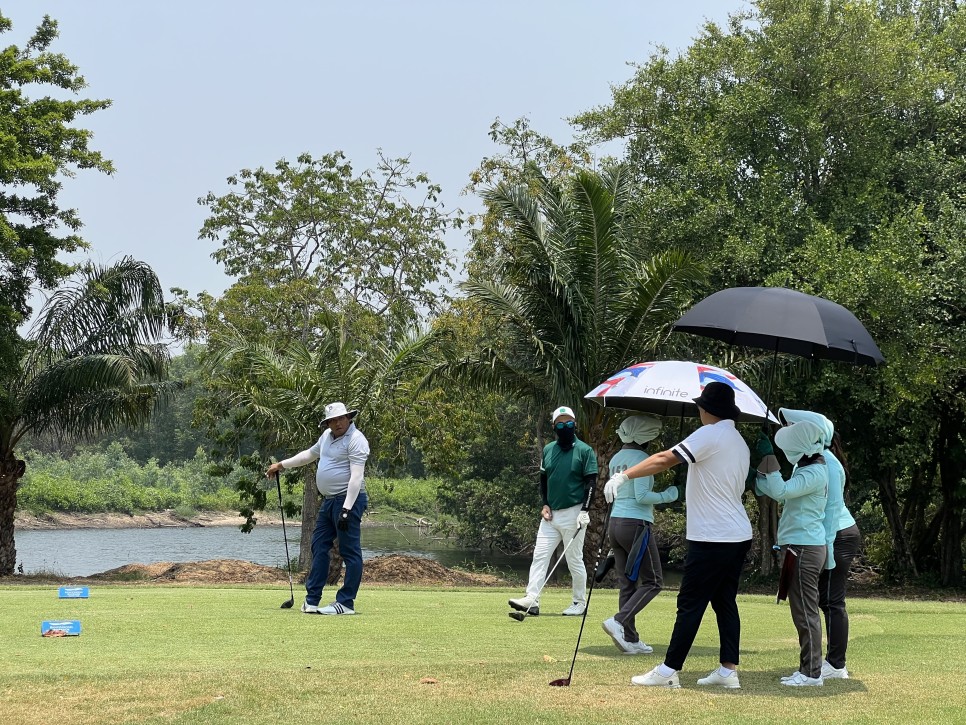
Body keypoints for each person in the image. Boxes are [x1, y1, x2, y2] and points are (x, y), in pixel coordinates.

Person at [604, 382, 752, 689]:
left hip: (713, 536)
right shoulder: (737, 439)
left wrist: (624, 475)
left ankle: (669, 670)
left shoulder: (711, 433)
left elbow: (664, 458)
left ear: (707, 409)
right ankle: (727, 671)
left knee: (690, 603)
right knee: (724, 601)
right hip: (736, 533)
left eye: (700, 406)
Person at [265, 401, 370, 615]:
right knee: (319, 545)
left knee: (350, 552)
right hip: (330, 500)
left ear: (348, 418)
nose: (337, 423)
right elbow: (309, 455)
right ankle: (312, 600)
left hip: (349, 500)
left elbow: (356, 478)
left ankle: (346, 603)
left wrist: (347, 509)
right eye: (332, 420)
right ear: (328, 423)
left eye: (340, 418)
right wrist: (281, 465)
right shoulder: (326, 438)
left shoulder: (357, 440)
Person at [779, 409, 859, 680]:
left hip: (838, 533)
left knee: (831, 601)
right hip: (828, 534)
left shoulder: (828, 464)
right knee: (823, 600)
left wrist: (828, 552)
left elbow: (831, 509)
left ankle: (835, 664)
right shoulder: (812, 459)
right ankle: (826, 662)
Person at [756, 418, 835, 686]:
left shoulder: (814, 472)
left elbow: (780, 490)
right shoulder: (807, 469)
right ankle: (807, 668)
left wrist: (769, 460)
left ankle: (812, 673)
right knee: (802, 612)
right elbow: (780, 492)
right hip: (800, 546)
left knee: (805, 613)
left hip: (805, 548)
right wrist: (761, 475)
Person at [509, 405, 598, 617]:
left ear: (575, 425)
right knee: (540, 556)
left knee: (574, 559)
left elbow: (592, 482)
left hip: (575, 512)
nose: (565, 426)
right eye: (560, 423)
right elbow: (543, 480)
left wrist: (585, 509)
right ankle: (532, 600)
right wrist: (545, 504)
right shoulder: (549, 450)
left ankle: (579, 602)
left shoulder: (584, 451)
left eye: (569, 423)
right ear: (554, 426)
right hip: (551, 515)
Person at [601, 414, 677, 656]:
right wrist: (669, 495)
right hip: (636, 524)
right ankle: (619, 621)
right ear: (647, 437)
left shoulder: (617, 458)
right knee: (654, 581)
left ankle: (631, 639)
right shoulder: (642, 459)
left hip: (615, 524)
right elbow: (642, 497)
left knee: (627, 582)